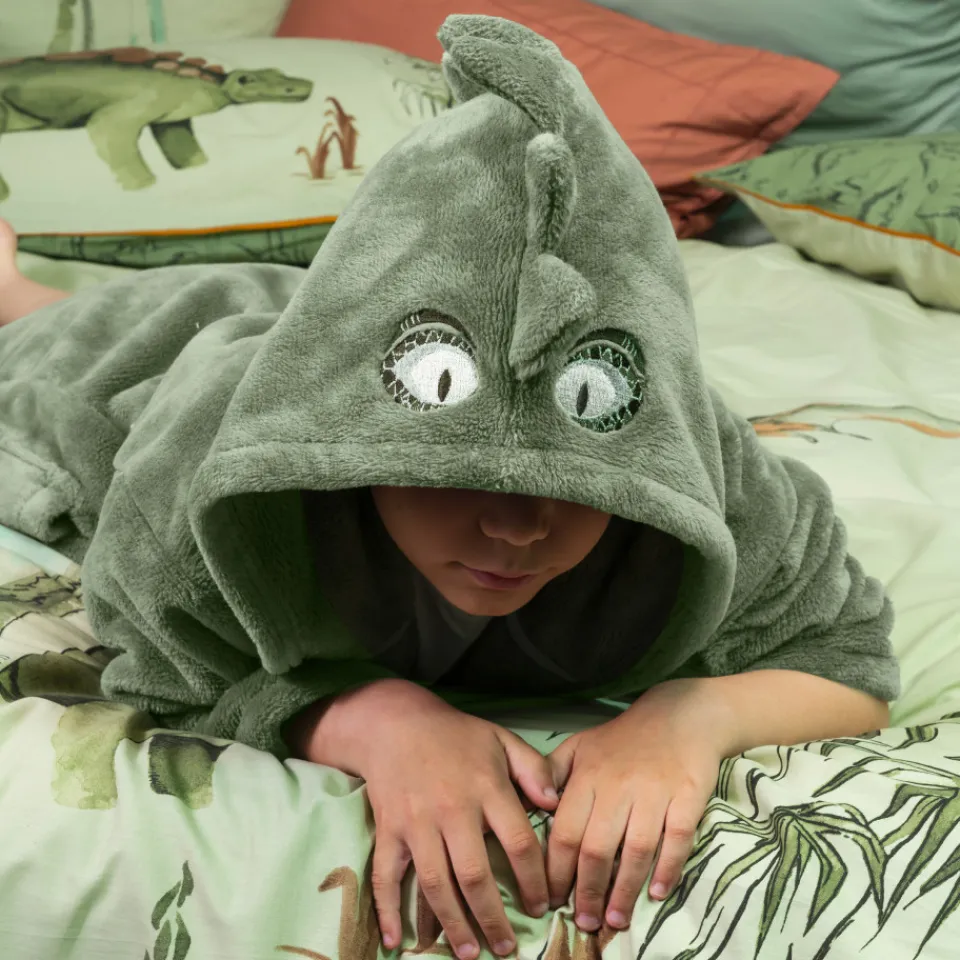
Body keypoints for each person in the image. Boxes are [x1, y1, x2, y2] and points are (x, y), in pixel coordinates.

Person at [0, 15, 897, 960]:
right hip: (179, 349)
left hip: (359, 335)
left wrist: (689, 718)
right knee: (63, 335)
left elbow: (848, 655)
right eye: (453, 474)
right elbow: (163, 658)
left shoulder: (709, 478)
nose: (517, 528)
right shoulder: (197, 476)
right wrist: (365, 715)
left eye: (574, 485)